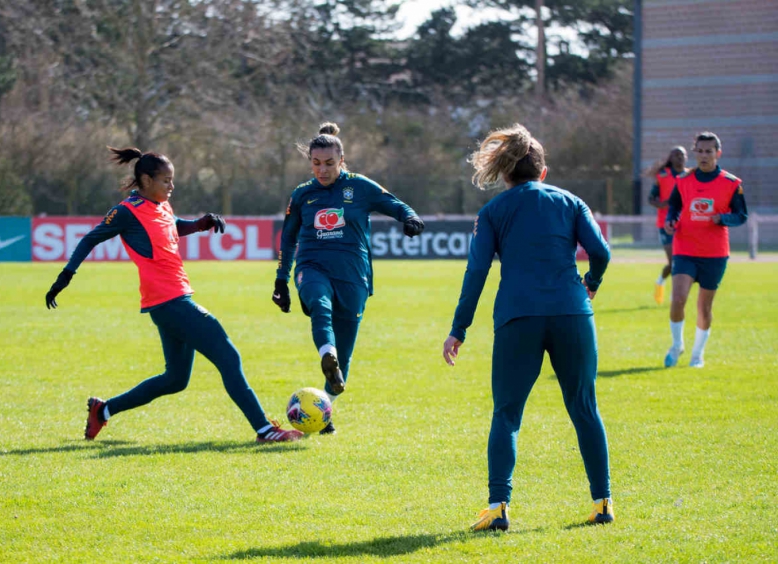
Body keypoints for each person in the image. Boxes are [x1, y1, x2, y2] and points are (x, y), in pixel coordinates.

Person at [45, 147, 304, 443]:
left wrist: (199, 224)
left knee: (176, 380)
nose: (172, 186)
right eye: (166, 181)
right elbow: (90, 239)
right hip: (170, 302)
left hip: (170, 302)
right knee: (228, 355)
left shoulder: (161, 206)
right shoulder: (125, 212)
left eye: (172, 180)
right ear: (145, 179)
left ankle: (103, 411)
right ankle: (265, 430)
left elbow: (174, 226)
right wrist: (67, 275)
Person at [441, 124, 613, 531]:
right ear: (543, 172)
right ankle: (603, 503)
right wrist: (590, 284)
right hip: (572, 315)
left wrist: (459, 328)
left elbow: (477, 272)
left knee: (507, 414)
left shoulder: (493, 211)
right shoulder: (571, 202)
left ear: (505, 174)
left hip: (519, 318)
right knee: (584, 408)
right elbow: (601, 253)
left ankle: (499, 506)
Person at [272, 122, 425, 435]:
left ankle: (324, 410)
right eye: (316, 163)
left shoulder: (360, 187)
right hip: (312, 265)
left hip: (353, 274)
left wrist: (410, 217)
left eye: (329, 163)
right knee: (319, 302)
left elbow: (395, 204)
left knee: (346, 353)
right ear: (309, 162)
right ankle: (325, 352)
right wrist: (281, 280)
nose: (322, 170)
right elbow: (288, 239)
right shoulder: (302, 195)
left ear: (341, 161)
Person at [663, 132, 747, 369]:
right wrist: (670, 221)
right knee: (678, 298)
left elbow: (741, 215)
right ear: (694, 152)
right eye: (699, 151)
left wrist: (724, 218)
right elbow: (674, 208)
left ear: (717, 153)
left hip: (714, 253)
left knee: (704, 306)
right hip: (685, 247)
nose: (703, 155)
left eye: (709, 151)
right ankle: (677, 344)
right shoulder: (683, 180)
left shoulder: (732, 183)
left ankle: (697, 355)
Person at [648, 146, 688, 305]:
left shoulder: (690, 175)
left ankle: (673, 293)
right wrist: (662, 204)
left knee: (681, 261)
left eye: (682, 155)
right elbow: (651, 198)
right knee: (673, 263)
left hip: (686, 223)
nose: (679, 158)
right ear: (670, 158)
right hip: (666, 224)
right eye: (676, 155)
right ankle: (662, 283)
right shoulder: (663, 176)